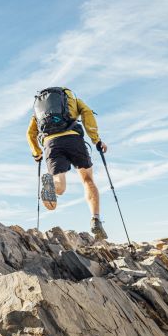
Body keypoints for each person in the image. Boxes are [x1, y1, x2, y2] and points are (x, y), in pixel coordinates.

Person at [27, 87, 108, 239]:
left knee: (60, 184)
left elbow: (30, 133)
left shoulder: (39, 110)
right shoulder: (72, 100)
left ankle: (51, 184)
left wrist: (37, 153)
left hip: (51, 144)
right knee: (87, 180)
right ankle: (95, 219)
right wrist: (96, 140)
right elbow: (87, 114)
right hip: (73, 140)